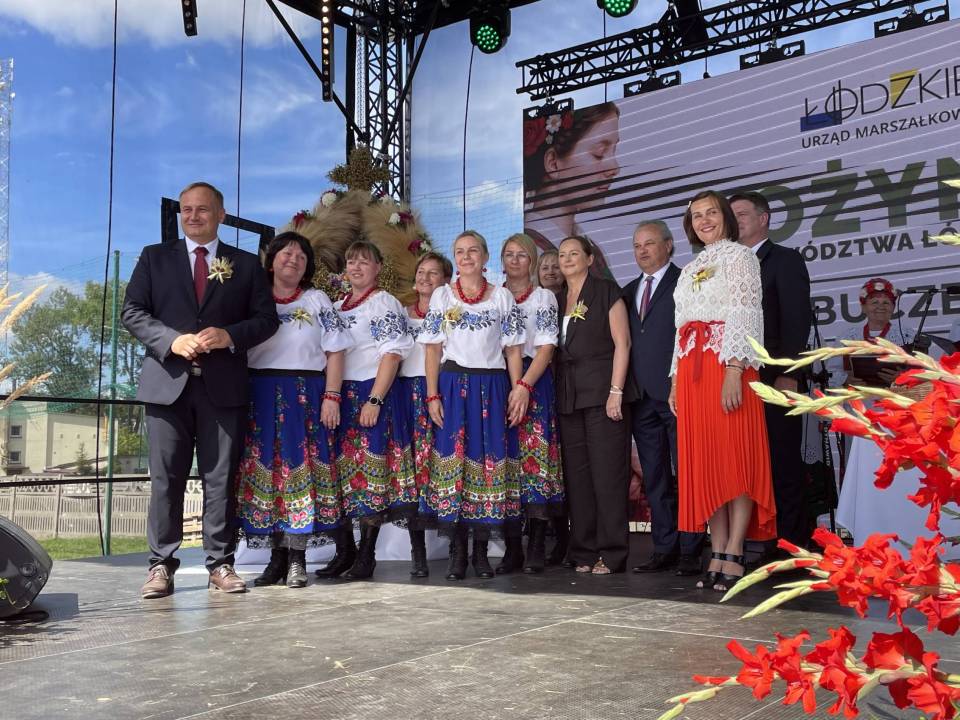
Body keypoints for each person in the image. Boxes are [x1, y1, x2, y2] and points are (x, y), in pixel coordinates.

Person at [122, 181, 279, 599]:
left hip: (223, 388)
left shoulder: (246, 264)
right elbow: (132, 312)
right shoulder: (154, 258)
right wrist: (171, 341)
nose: (193, 216)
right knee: (165, 480)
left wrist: (229, 336)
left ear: (220, 215)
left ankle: (221, 564)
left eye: (202, 209)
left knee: (220, 479)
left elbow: (267, 320)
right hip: (165, 386)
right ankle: (160, 565)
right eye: (186, 209)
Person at [669, 190, 776, 594]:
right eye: (696, 215)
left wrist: (735, 368)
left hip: (728, 364)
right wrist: (675, 380)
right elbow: (680, 327)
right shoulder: (689, 268)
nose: (704, 220)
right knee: (707, 463)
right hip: (692, 371)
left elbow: (746, 312)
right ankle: (716, 549)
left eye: (711, 212)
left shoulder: (741, 257)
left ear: (726, 217)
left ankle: (735, 549)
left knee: (736, 456)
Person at [235, 232, 351, 588]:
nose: (294, 260)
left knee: (301, 472)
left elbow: (336, 350)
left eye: (301, 256)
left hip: (305, 394)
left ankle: (297, 558)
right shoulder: (252, 299)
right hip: (259, 394)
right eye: (286, 253)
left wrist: (332, 396)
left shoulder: (317, 300)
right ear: (271, 261)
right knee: (267, 474)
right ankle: (276, 560)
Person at [418, 230, 527, 580]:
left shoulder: (502, 297)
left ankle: (480, 552)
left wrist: (517, 390)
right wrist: (432, 394)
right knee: (456, 463)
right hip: (453, 387)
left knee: (487, 464)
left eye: (473, 251)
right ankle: (457, 553)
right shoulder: (443, 295)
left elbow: (513, 349)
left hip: (492, 387)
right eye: (460, 251)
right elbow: (432, 348)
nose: (466, 257)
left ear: (485, 257)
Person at [320, 240, 417, 581]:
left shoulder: (383, 303)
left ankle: (366, 555)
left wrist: (375, 399)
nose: (356, 267)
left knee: (369, 474)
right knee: (339, 475)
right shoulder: (335, 306)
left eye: (364, 261)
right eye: (351, 261)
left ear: (378, 268)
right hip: (339, 396)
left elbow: (392, 354)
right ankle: (344, 550)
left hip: (369, 392)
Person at [731, 191, 812, 552]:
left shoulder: (784, 260)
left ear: (763, 219)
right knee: (750, 465)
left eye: (742, 214)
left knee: (782, 463)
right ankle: (760, 539)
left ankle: (792, 544)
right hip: (739, 382)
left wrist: (789, 373)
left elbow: (796, 320)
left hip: (776, 379)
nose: (735, 221)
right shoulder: (730, 264)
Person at [623, 220, 703, 577]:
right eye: (637, 245)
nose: (642, 250)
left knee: (686, 473)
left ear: (668, 245)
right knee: (654, 476)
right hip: (641, 399)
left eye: (650, 243)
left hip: (677, 394)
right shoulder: (627, 292)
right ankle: (664, 547)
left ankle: (691, 548)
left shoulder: (687, 282)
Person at [554, 235, 636, 574]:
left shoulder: (606, 291)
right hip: (569, 397)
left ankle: (613, 552)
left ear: (589, 259)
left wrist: (616, 391)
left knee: (608, 475)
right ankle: (584, 551)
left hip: (604, 394)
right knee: (578, 479)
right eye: (562, 254)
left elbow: (623, 343)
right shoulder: (557, 298)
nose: (567, 259)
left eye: (574, 253)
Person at [502, 233, 562, 574]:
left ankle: (537, 544)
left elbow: (547, 347)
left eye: (521, 255)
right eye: (509, 254)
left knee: (534, 462)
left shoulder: (543, 298)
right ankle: (512, 548)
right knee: (505, 462)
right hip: (498, 383)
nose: (515, 260)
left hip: (534, 381)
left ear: (532, 261)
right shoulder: (494, 296)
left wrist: (524, 386)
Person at [399, 251, 453, 578]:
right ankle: (417, 553)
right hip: (407, 396)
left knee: (446, 466)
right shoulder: (400, 313)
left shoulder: (452, 312)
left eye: (433, 273)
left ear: (445, 281)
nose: (425, 277)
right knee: (413, 474)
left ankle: (457, 548)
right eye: (421, 271)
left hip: (441, 394)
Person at [523, 103, 620, 278]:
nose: (614, 167)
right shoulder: (529, 252)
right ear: (553, 163)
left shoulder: (593, 251)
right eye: (599, 153)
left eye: (614, 151)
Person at [836, 278, 913, 387]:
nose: (881, 307)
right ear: (863, 307)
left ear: (893, 307)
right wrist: (846, 380)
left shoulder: (907, 335)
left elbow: (923, 371)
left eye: (886, 302)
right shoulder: (847, 337)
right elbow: (831, 372)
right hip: (857, 396)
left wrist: (903, 377)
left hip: (895, 396)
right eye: (875, 302)